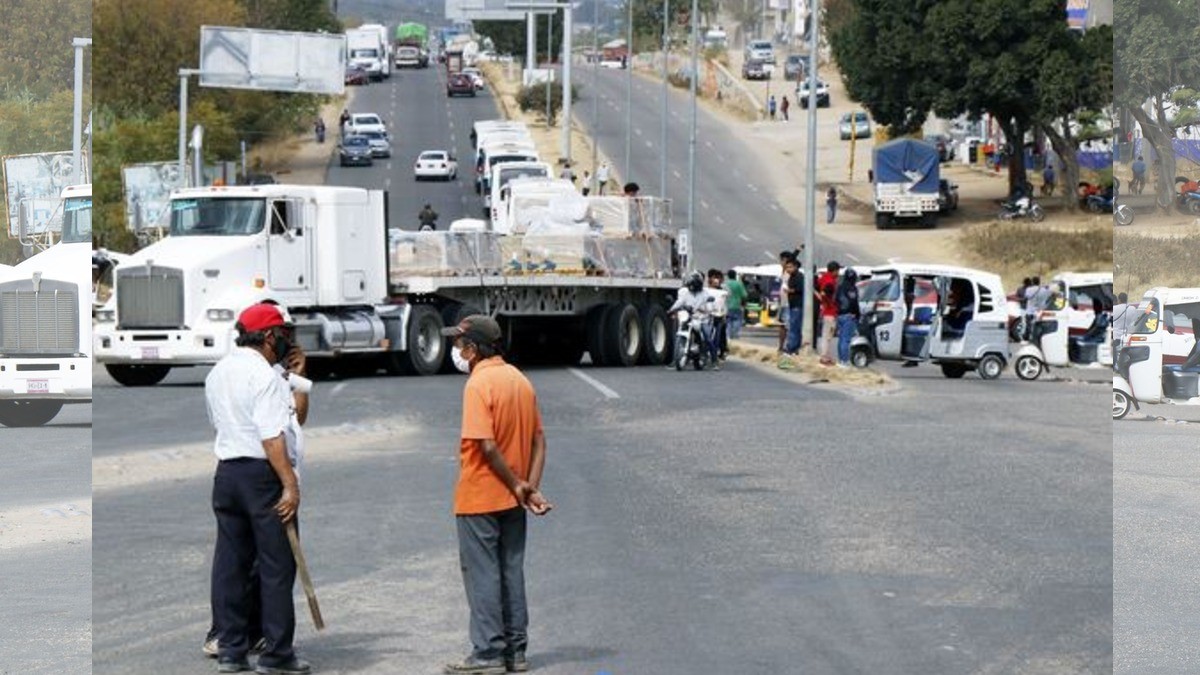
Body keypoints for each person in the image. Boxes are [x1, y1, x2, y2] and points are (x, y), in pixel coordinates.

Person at [440, 315, 552, 675]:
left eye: (460, 345)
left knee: (483, 575)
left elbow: (486, 446)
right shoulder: (519, 379)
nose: (457, 351)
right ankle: (516, 651)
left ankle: (488, 652)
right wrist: (528, 487)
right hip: (513, 499)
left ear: (473, 349)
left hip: (480, 496)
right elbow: (539, 440)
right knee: (511, 571)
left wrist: (518, 485)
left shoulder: (478, 384)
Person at [205, 303, 310, 675]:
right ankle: (277, 654)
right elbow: (271, 437)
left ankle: (232, 650)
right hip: (262, 474)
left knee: (231, 565)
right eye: (282, 334)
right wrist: (289, 485)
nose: (286, 341)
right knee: (276, 566)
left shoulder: (218, 372)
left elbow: (219, 424)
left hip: (227, 473)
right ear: (268, 336)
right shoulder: (263, 375)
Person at [668, 271, 719, 366]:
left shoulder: (705, 294)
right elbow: (680, 302)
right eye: (690, 285)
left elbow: (710, 307)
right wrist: (671, 309)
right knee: (677, 332)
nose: (692, 287)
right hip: (689, 317)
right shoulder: (685, 293)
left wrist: (703, 309)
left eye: (693, 285)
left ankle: (714, 360)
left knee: (708, 338)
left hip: (701, 319)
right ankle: (676, 358)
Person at [835, 268, 861, 367]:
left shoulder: (840, 287)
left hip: (840, 315)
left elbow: (836, 300)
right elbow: (854, 302)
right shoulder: (852, 288)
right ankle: (845, 361)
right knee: (846, 339)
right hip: (849, 315)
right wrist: (857, 314)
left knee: (841, 339)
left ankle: (841, 360)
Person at [816, 262, 840, 365]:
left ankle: (826, 356)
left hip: (826, 311)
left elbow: (817, 288)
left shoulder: (823, 278)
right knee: (827, 336)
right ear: (834, 270)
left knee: (826, 335)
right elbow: (824, 293)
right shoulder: (830, 281)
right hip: (830, 312)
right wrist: (828, 303)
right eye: (838, 271)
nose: (838, 273)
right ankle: (824, 357)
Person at [783, 257, 805, 355]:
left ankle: (791, 347)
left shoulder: (799, 277)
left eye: (790, 267)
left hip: (797, 305)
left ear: (796, 267)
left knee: (794, 328)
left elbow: (800, 289)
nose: (788, 269)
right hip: (792, 305)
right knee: (794, 327)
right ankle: (795, 348)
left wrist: (789, 290)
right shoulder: (791, 277)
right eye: (787, 267)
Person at [708, 270, 729, 364]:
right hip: (708, 315)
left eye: (718, 278)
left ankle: (722, 351)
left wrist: (725, 314)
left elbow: (725, 303)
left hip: (720, 315)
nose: (716, 280)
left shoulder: (723, 291)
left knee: (720, 335)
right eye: (714, 278)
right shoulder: (706, 290)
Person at [723, 269, 748, 340]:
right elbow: (744, 295)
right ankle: (735, 336)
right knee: (736, 320)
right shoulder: (739, 284)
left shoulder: (724, 284)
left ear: (728, 276)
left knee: (728, 321)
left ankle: (728, 336)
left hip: (726, 306)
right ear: (735, 275)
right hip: (737, 306)